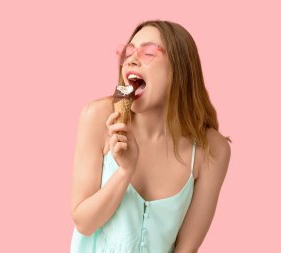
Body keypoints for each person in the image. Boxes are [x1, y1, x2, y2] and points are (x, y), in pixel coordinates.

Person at [70, 19, 231, 253]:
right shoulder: (98, 118)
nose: (131, 59)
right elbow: (84, 223)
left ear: (179, 68)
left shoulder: (212, 149)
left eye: (147, 52)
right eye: (128, 52)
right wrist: (124, 171)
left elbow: (186, 248)